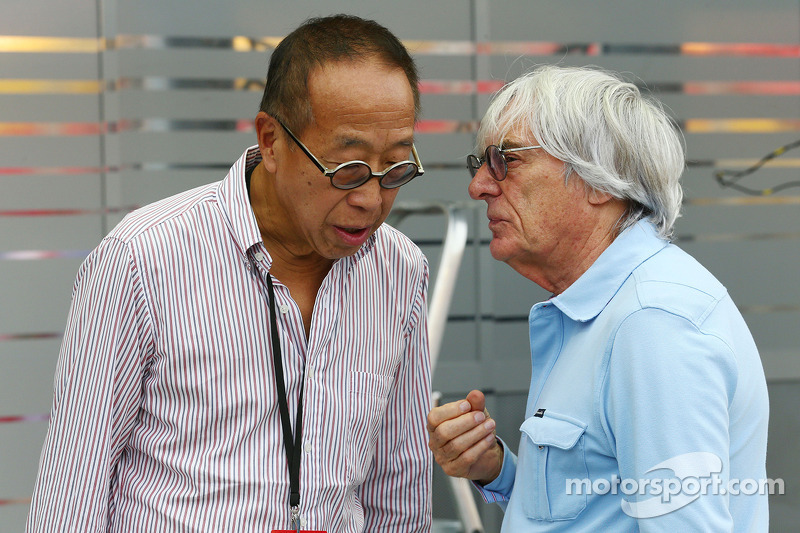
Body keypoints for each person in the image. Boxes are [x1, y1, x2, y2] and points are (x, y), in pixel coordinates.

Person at [27, 15, 432, 532]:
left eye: (396, 169)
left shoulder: (399, 270)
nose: (371, 200)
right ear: (271, 140)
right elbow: (72, 488)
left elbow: (397, 490)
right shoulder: (144, 259)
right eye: (346, 170)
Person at [427, 65, 769, 531]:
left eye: (506, 160)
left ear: (599, 181)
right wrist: (498, 469)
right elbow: (595, 511)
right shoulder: (606, 309)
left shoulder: (652, 323)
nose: (480, 185)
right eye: (481, 164)